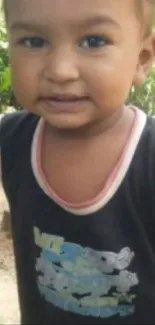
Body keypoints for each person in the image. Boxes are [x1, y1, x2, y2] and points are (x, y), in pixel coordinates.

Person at [1, 0, 155, 323]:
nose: (60, 70)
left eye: (94, 41)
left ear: (142, 59)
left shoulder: (148, 160)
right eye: (33, 41)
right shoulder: (12, 140)